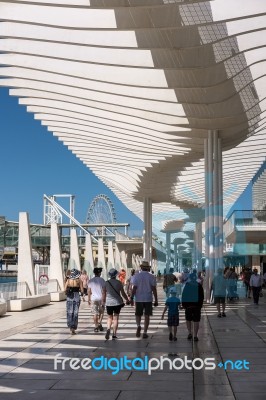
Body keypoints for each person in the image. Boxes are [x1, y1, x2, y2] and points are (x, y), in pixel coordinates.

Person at [131, 260, 158, 339]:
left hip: (138, 298)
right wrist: (156, 300)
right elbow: (154, 289)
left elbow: (134, 288)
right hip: (148, 298)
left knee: (138, 314)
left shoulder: (136, 276)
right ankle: (145, 332)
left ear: (141, 267)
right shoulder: (151, 276)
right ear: (148, 268)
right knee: (147, 316)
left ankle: (138, 325)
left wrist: (132, 297)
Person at [103, 268, 130, 340]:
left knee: (109, 317)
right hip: (117, 302)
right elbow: (123, 293)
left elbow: (104, 293)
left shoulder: (106, 283)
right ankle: (114, 334)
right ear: (116, 275)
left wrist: (103, 301)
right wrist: (127, 299)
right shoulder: (119, 283)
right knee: (116, 318)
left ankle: (108, 328)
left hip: (108, 303)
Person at [182, 272, 204, 341]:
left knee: (188, 320)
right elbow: (202, 296)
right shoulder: (199, 285)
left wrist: (184, 305)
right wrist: (200, 305)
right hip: (197, 306)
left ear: (190, 278)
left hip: (188, 306)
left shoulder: (187, 285)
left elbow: (184, 296)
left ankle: (189, 333)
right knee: (196, 320)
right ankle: (195, 336)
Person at [64, 268, 83, 335]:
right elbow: (82, 290)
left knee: (69, 312)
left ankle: (70, 327)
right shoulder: (79, 281)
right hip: (77, 297)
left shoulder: (68, 280)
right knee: (75, 313)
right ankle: (74, 328)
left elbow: (65, 290)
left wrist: (67, 292)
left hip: (69, 297)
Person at [88, 267, 106, 332]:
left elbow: (89, 291)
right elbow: (104, 291)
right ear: (99, 273)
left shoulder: (91, 280)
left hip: (93, 299)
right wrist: (104, 299)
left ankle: (96, 326)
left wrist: (88, 299)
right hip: (101, 298)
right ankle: (100, 323)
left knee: (94, 313)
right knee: (101, 312)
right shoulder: (102, 280)